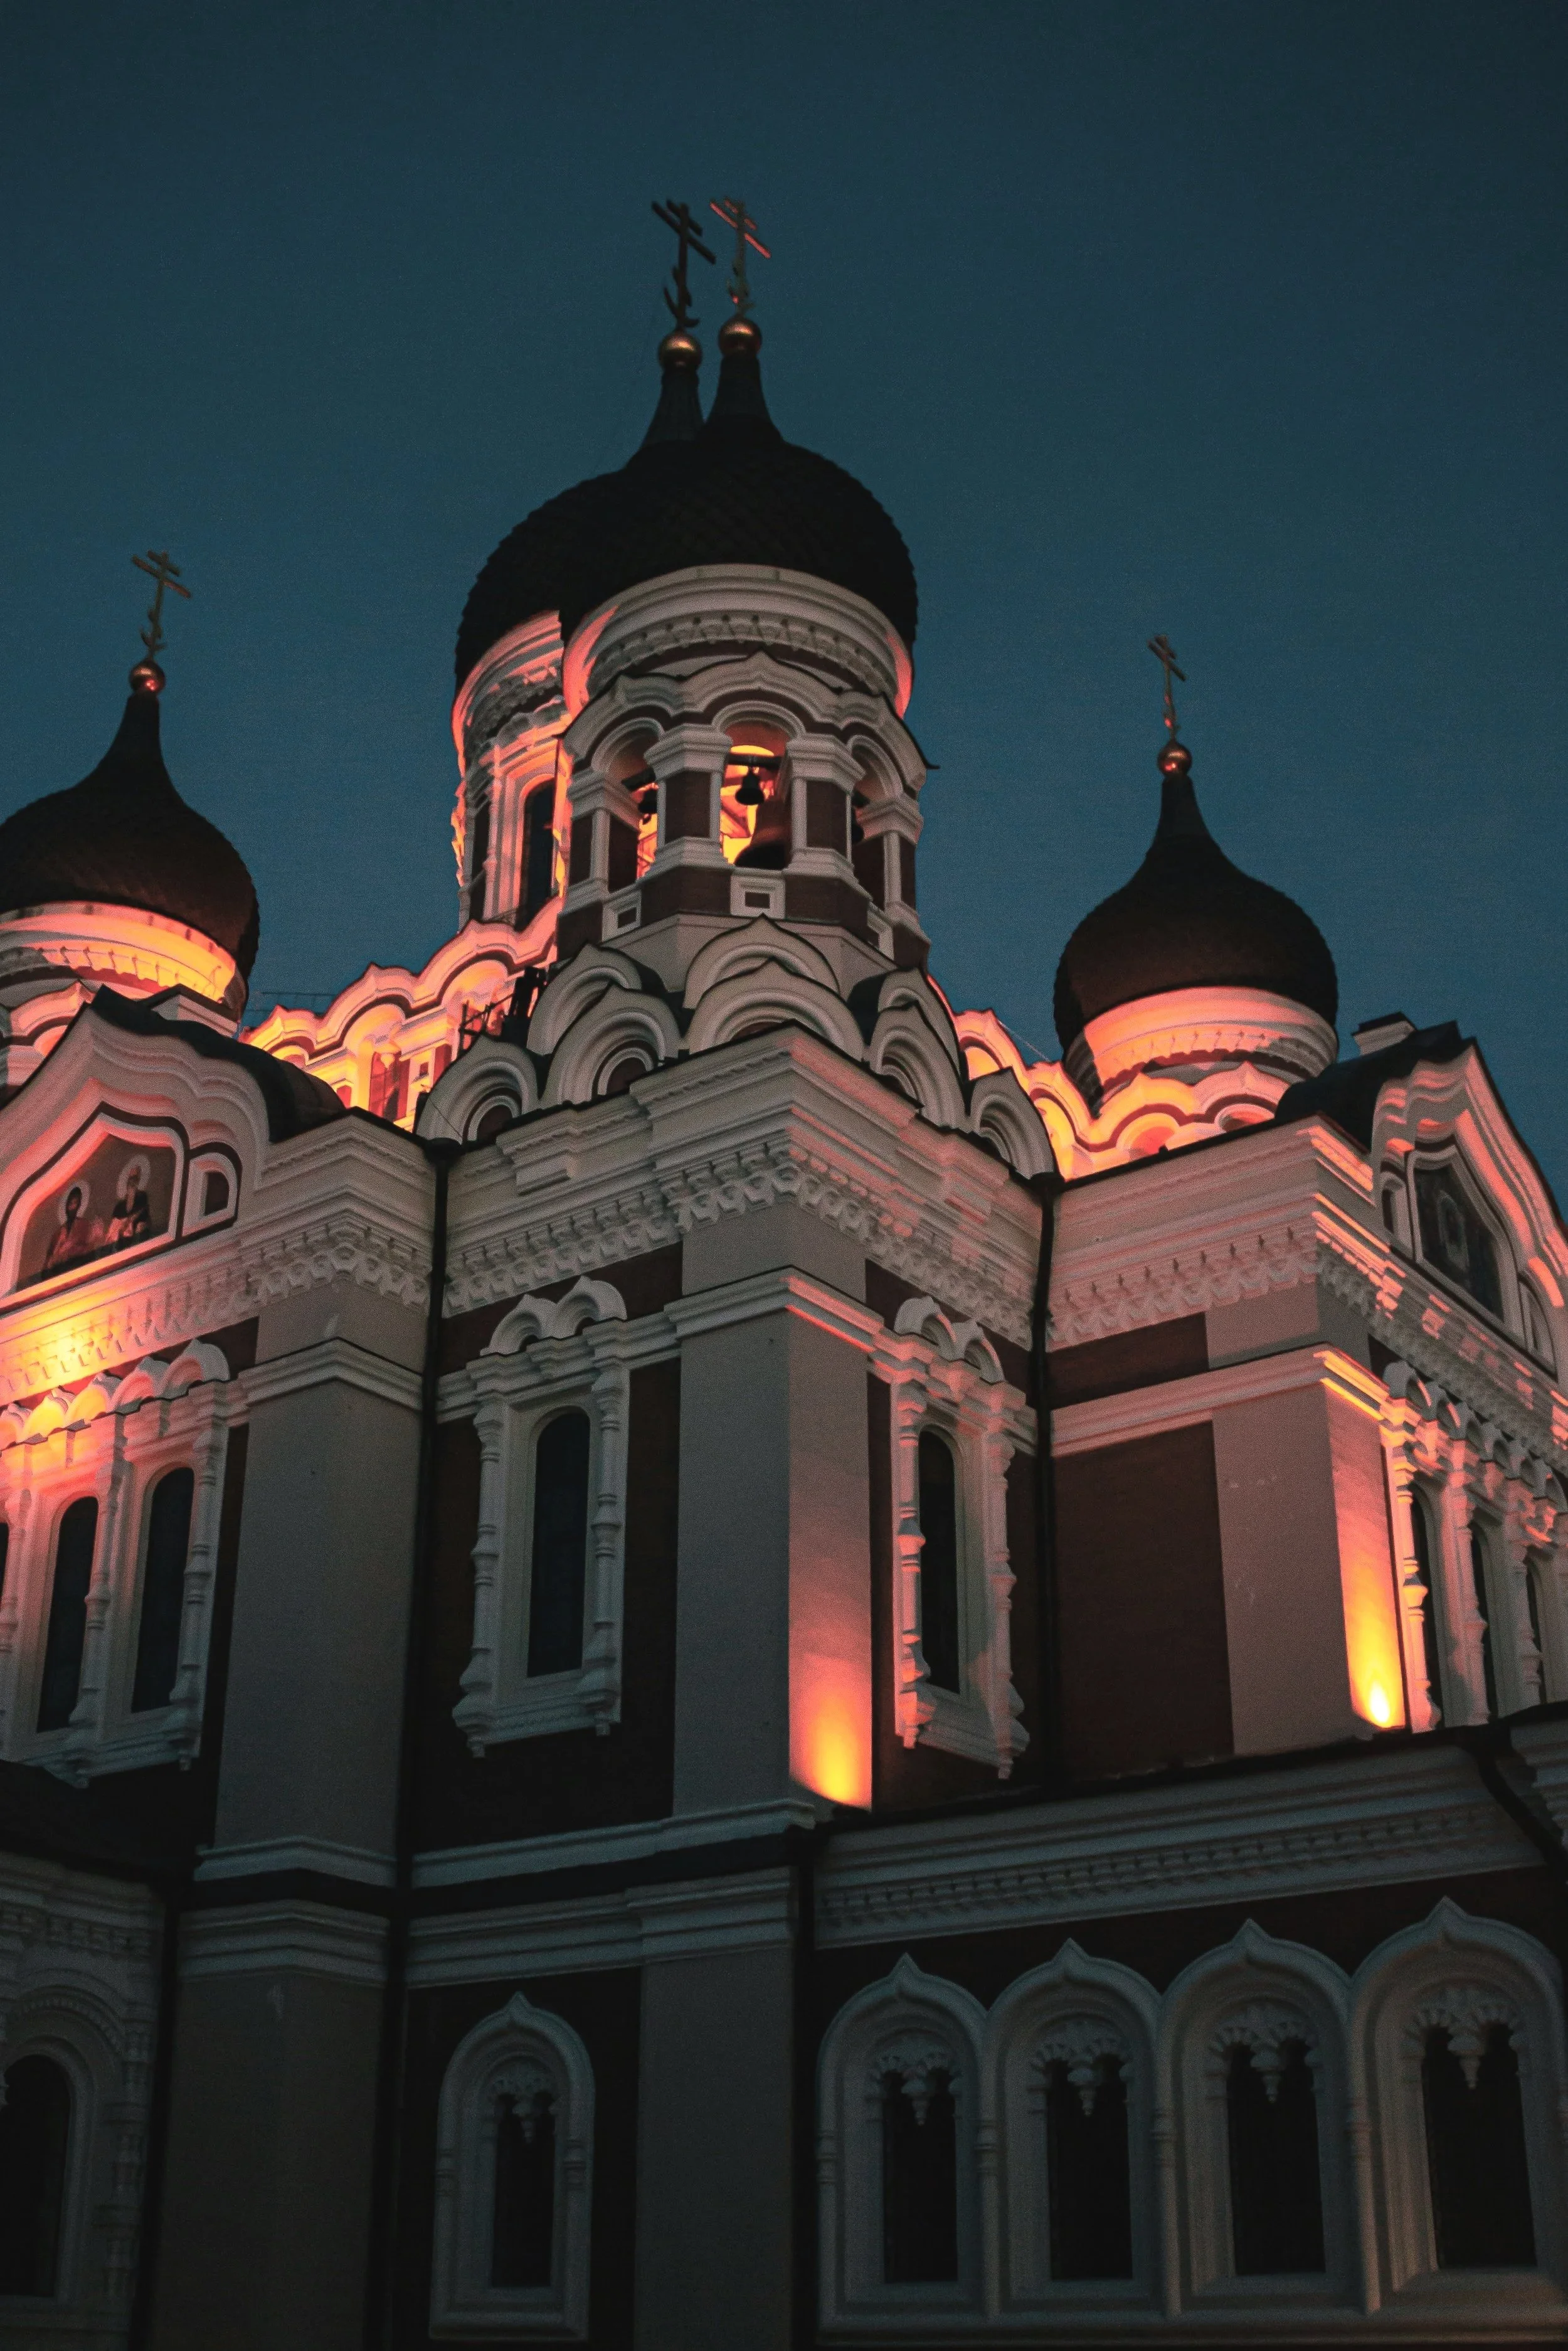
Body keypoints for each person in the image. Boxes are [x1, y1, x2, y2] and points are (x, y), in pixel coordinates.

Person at [41, 1186, 102, 1275]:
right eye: (70, 1203)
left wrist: (94, 1238)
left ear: (79, 1205)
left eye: (75, 1203)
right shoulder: (58, 1233)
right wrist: (60, 1250)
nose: (72, 1207)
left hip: (78, 1269)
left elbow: (89, 1252)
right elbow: (47, 1266)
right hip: (58, 1274)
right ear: (66, 1205)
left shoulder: (84, 1224)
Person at [104, 1163, 153, 1251]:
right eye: (131, 1179)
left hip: (136, 1239)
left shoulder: (142, 1197)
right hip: (119, 1241)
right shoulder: (119, 1206)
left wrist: (130, 1222)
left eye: (135, 1179)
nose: (132, 1182)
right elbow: (114, 1227)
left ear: (138, 1181)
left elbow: (143, 1218)